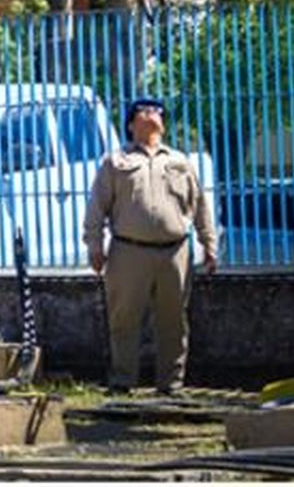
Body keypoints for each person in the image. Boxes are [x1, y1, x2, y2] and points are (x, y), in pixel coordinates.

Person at [83, 97, 218, 395]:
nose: (152, 115)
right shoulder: (116, 161)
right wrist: (95, 245)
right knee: (124, 319)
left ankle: (171, 383)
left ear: (164, 124)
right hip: (128, 251)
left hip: (175, 251)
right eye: (143, 111)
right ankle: (122, 381)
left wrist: (209, 244)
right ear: (131, 124)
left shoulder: (180, 162)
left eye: (157, 111)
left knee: (173, 320)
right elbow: (96, 207)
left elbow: (199, 206)